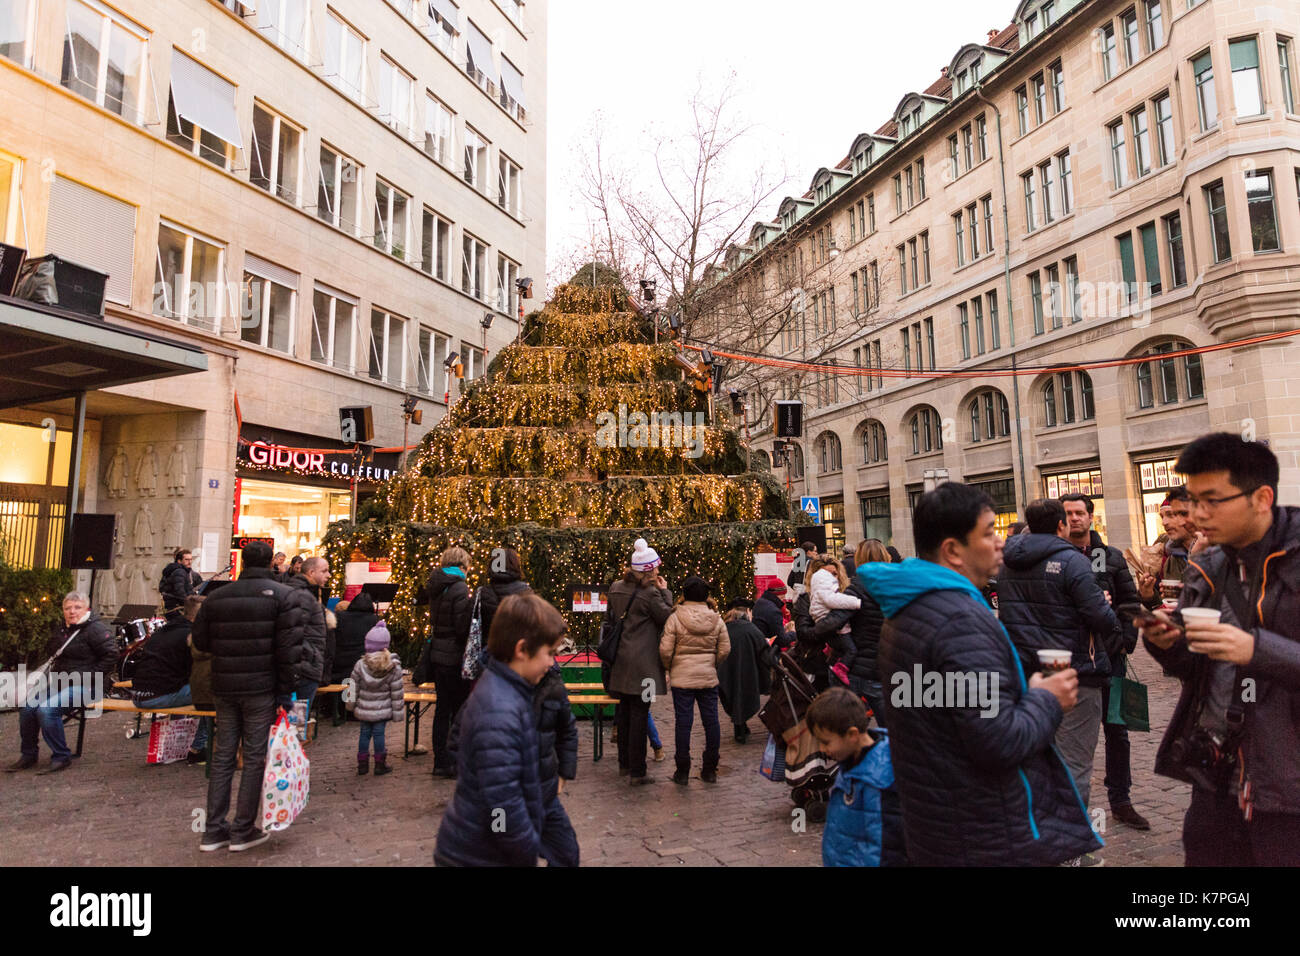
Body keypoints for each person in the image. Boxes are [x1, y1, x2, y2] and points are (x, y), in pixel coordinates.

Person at [858, 482, 1100, 866]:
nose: (1000, 542)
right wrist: (1046, 699)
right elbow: (998, 739)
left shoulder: (908, 610)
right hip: (984, 835)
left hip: (938, 823)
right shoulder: (957, 621)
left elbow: (954, 714)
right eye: (988, 533)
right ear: (953, 550)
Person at [1138, 434, 1300, 866]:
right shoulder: (1208, 566)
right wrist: (1167, 643)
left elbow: (1258, 655)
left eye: (1212, 500)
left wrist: (1256, 649)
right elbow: (1195, 668)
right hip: (1216, 776)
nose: (1196, 514)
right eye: (1192, 500)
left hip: (1287, 787)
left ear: (1261, 497)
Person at [998, 498, 1122, 839]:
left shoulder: (1006, 563)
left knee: (1036, 759)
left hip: (1028, 675)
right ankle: (1067, 845)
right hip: (1074, 675)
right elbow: (1103, 619)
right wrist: (1105, 605)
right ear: (1060, 526)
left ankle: (1034, 834)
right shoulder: (1071, 561)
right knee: (1074, 764)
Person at [190, 540, 313, 852]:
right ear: (271, 561)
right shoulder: (283, 596)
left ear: (242, 561)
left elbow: (201, 642)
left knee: (223, 756)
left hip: (225, 686)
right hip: (261, 686)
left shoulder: (216, 598)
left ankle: (214, 829)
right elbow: (289, 650)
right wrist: (287, 690)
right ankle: (243, 829)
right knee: (254, 756)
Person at [434, 593, 569, 867]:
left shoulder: (508, 690)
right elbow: (501, 803)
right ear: (522, 650)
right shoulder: (499, 709)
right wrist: (524, 847)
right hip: (481, 854)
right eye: (549, 653)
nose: (551, 663)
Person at [1059, 492, 1150, 832]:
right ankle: (1069, 806)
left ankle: (1121, 800)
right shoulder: (1060, 557)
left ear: (1090, 517)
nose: (1074, 519)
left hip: (1111, 659)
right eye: (1068, 514)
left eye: (1079, 513)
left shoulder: (1109, 557)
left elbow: (1130, 601)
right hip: (1076, 661)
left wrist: (1126, 641)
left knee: (1118, 731)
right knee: (1071, 735)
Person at [8, 591, 116, 774]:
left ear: (86, 609)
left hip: (89, 686)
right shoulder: (61, 629)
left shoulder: (96, 629)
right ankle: (28, 754)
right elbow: (52, 653)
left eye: (77, 607)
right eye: (67, 608)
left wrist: (89, 675)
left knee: (47, 710)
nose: (72, 612)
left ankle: (61, 756)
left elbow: (112, 655)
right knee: (27, 707)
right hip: (62, 682)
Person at [806, 687, 905, 867]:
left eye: (826, 742)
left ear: (852, 735)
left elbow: (886, 845)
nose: (821, 749)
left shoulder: (881, 780)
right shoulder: (850, 762)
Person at [604, 538, 673, 785]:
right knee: (640, 715)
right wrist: (666, 591)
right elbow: (667, 616)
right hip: (644, 665)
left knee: (623, 712)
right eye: (655, 568)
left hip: (621, 661)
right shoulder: (651, 594)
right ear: (648, 570)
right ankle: (638, 771)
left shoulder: (615, 588)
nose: (657, 571)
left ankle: (624, 764)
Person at [660, 576, 730, 784]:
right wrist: (712, 663)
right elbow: (725, 649)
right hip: (708, 677)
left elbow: (665, 649)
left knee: (683, 723)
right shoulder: (716, 619)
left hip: (682, 679)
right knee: (711, 722)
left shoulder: (675, 618)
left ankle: (682, 771)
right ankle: (709, 769)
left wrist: (670, 666)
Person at [130, 593, 210, 763]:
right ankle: (197, 748)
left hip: (138, 695)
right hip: (157, 697)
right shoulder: (192, 635)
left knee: (182, 685)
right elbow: (200, 673)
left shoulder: (164, 630)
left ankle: (177, 746)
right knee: (212, 694)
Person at [819, 539, 889, 720]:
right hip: (881, 666)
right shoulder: (895, 589)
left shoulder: (856, 588)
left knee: (847, 724)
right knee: (889, 728)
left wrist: (813, 631)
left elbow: (834, 621)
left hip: (855, 668)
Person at [419, 546, 473, 778]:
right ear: (462, 565)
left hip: (437, 653)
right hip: (453, 654)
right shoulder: (459, 586)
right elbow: (461, 626)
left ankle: (440, 761)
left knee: (442, 708)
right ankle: (454, 761)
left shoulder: (435, 584)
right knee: (459, 709)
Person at [533, 655, 580, 866]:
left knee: (566, 852)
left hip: (545, 791)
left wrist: (563, 774)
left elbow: (567, 730)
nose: (552, 660)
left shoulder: (552, 681)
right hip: (505, 800)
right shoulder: (494, 686)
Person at [348, 619, 405, 776]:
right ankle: (380, 764)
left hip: (364, 708)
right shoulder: (393, 666)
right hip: (382, 709)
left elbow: (352, 686)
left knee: (364, 734)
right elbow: (396, 691)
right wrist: (398, 713)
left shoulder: (360, 664)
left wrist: (350, 705)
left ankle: (362, 764)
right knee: (379, 734)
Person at [717, 600, 771, 743]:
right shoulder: (751, 629)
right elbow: (764, 652)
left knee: (734, 697)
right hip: (748, 672)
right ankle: (741, 727)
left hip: (726, 672)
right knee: (743, 697)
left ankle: (740, 726)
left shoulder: (724, 628)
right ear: (747, 612)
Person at [284, 556, 329, 719]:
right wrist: (307, 659)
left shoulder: (307, 593)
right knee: (295, 722)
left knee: (295, 721)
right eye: (324, 571)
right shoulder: (301, 595)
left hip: (305, 665)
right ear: (311, 572)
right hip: (303, 668)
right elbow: (293, 631)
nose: (328, 575)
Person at [478, 546, 532, 640]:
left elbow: (466, 626)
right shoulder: (526, 592)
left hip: (489, 649)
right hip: (516, 649)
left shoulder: (481, 593)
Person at [159, 548, 201, 614]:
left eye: (191, 559)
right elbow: (180, 591)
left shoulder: (181, 571)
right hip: (177, 607)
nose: (190, 562)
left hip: (175, 606)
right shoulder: (179, 572)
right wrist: (190, 604)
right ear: (179, 561)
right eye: (186, 560)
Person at [753, 582, 793, 649]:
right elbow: (781, 640)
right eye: (784, 595)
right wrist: (793, 633)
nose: (784, 598)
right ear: (780, 594)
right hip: (767, 651)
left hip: (757, 646)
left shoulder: (759, 602)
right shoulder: (774, 610)